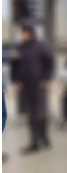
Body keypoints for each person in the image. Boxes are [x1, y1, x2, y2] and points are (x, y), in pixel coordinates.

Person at [11, 23, 54, 154]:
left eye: (24, 33)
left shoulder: (40, 47)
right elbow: (15, 65)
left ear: (30, 33)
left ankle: (42, 139)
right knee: (31, 114)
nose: (22, 35)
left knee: (40, 113)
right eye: (22, 33)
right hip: (25, 85)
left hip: (38, 84)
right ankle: (36, 141)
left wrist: (46, 78)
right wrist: (16, 79)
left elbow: (50, 63)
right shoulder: (20, 48)